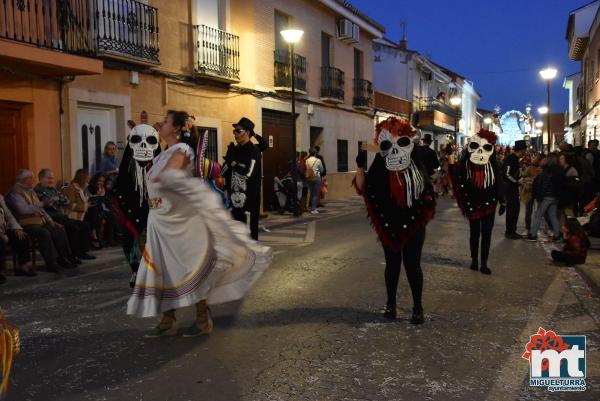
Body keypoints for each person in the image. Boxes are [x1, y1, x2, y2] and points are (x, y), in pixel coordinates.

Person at [127, 110, 272, 339]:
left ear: (176, 128)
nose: (160, 124)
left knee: (190, 269)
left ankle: (203, 320)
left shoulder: (182, 150)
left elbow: (170, 177)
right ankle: (167, 321)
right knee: (164, 271)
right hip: (159, 220)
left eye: (165, 122)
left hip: (177, 220)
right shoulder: (163, 153)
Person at [354, 117, 436, 324]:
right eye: (387, 144)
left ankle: (417, 308)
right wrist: (360, 166)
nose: (395, 149)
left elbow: (427, 190)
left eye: (401, 142)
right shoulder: (381, 164)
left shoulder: (416, 163)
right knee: (392, 264)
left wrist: (422, 211)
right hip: (389, 222)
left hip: (414, 222)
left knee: (412, 264)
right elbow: (365, 188)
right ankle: (391, 305)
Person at [113, 118, 162, 287]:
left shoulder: (159, 163)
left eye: (149, 141)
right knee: (129, 240)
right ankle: (135, 270)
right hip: (131, 207)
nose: (143, 146)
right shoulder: (127, 162)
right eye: (136, 140)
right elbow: (121, 185)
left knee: (154, 240)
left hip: (154, 207)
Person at [451, 129, 505, 275]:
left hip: (489, 203)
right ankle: (475, 260)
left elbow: (498, 182)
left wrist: (502, 200)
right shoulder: (465, 166)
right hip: (473, 203)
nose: (480, 152)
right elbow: (458, 182)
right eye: (476, 146)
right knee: (474, 233)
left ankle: (484, 263)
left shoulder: (493, 165)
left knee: (487, 233)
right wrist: (463, 200)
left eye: (486, 148)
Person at [6, 169, 77, 272]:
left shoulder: (31, 191)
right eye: (32, 178)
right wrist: (42, 203)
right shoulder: (14, 193)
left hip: (39, 222)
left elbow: (41, 209)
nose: (34, 181)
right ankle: (51, 262)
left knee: (58, 229)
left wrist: (50, 220)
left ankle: (63, 258)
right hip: (25, 224)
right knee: (44, 233)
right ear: (25, 179)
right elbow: (23, 209)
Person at [35, 168, 95, 261]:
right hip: (51, 218)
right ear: (41, 178)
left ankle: (82, 252)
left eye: (52, 178)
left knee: (85, 225)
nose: (51, 180)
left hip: (61, 216)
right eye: (49, 178)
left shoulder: (53, 189)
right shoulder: (38, 190)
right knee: (72, 228)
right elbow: (50, 204)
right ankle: (72, 255)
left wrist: (56, 200)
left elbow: (65, 200)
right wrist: (55, 200)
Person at [224, 117, 263, 240]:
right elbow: (224, 170)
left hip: (249, 200)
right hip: (234, 199)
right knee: (236, 235)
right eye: (234, 131)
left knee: (249, 234)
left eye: (238, 131)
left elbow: (249, 172)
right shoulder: (234, 150)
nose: (235, 133)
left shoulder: (254, 150)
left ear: (247, 132)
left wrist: (234, 164)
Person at [525, 154, 561, 241]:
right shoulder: (559, 170)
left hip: (546, 196)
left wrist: (538, 196)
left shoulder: (546, 171)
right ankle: (557, 235)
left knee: (538, 215)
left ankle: (533, 235)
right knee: (553, 215)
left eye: (546, 159)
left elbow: (540, 185)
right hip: (555, 196)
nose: (545, 161)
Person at [0, 195, 30, 281]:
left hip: (4, 228)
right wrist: (1, 234)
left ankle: (23, 266)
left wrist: (17, 228)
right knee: (0, 242)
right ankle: (1, 271)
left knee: (22, 237)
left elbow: (8, 214)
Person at [85, 173, 117, 247]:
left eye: (103, 181)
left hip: (103, 208)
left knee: (113, 216)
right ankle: (97, 239)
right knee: (99, 216)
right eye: (99, 181)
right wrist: (97, 195)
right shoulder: (90, 187)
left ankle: (110, 239)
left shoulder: (104, 189)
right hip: (92, 209)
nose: (101, 183)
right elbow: (89, 200)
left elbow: (107, 201)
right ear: (95, 180)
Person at [503, 140, 526, 239]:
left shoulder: (515, 159)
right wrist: (517, 181)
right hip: (510, 189)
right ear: (521, 150)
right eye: (524, 150)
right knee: (512, 210)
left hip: (513, 188)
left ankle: (512, 230)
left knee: (515, 209)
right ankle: (510, 231)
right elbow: (507, 174)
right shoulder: (511, 159)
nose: (525, 153)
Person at [521, 155, 544, 236]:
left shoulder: (544, 169)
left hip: (539, 192)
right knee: (529, 211)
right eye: (543, 160)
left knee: (539, 212)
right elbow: (523, 176)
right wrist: (529, 179)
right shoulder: (531, 168)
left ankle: (534, 229)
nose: (544, 162)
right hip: (530, 191)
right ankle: (528, 228)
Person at [559, 152, 582, 225]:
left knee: (570, 215)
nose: (560, 160)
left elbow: (576, 182)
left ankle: (572, 231)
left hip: (570, 197)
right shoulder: (561, 169)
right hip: (563, 196)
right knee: (562, 214)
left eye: (561, 159)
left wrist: (565, 182)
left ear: (566, 160)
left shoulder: (572, 170)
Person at [305, 148, 324, 214]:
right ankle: (313, 209)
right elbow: (322, 170)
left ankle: (308, 206)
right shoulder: (318, 160)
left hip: (309, 178)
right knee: (315, 194)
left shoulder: (306, 160)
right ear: (315, 153)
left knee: (309, 193)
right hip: (316, 177)